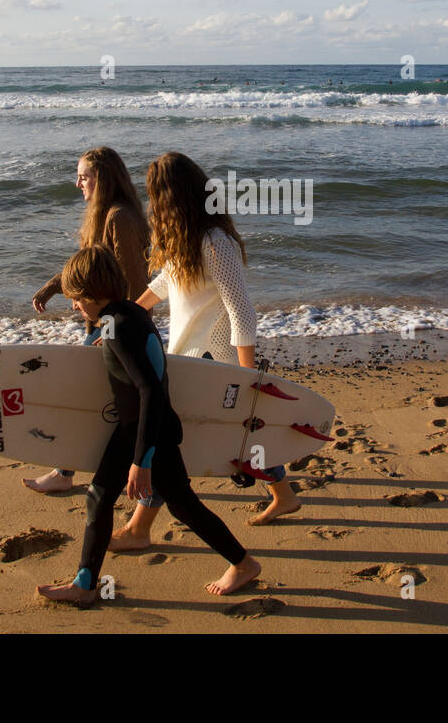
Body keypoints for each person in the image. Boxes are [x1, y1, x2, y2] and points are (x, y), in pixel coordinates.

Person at [37, 247, 261, 602]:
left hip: (147, 432)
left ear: (94, 293)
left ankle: (244, 563)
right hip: (135, 429)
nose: (75, 307)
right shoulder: (125, 315)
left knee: (182, 505)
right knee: (99, 496)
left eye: (77, 299)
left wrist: (143, 459)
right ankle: (84, 585)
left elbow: (151, 392)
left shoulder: (119, 328)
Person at [109, 152, 299, 551]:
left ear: (172, 196)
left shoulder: (215, 242)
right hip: (185, 355)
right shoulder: (186, 237)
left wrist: (248, 376)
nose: (152, 206)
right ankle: (284, 495)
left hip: (213, 362)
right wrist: (123, 315)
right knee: (228, 439)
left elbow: (241, 310)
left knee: (170, 442)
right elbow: (166, 282)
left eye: (155, 196)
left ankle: (140, 527)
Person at [24, 147, 150, 493]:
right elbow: (86, 266)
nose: (77, 182)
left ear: (103, 179)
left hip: (113, 330)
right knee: (96, 402)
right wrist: (51, 288)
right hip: (102, 326)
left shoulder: (119, 218)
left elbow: (137, 284)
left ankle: (67, 473)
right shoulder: (103, 215)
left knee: (86, 399)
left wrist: (116, 331)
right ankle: (71, 471)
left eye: (84, 176)